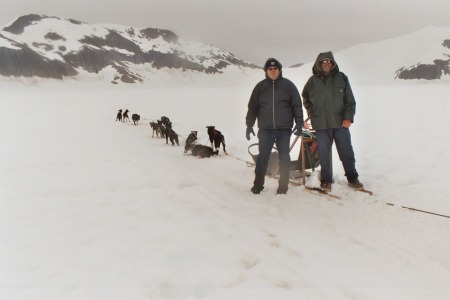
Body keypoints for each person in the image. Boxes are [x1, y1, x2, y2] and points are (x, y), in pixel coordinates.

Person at [301, 51, 363, 192]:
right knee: (324, 154)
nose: (326, 63)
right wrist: (311, 111)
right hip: (321, 124)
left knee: (346, 152)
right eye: (323, 61)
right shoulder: (312, 81)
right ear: (319, 63)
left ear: (333, 63)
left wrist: (348, 118)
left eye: (329, 61)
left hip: (340, 123)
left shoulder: (341, 78)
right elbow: (305, 96)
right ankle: (326, 180)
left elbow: (350, 100)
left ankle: (353, 178)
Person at [245, 58, 304, 194]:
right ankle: (258, 185)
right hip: (265, 129)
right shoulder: (260, 87)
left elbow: (297, 105)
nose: (273, 71)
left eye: (275, 68)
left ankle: (283, 186)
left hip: (284, 129)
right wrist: (249, 125)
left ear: (280, 70)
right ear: (266, 71)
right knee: (263, 157)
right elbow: (252, 107)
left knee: (284, 157)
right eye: (270, 69)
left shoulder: (288, 86)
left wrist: (299, 123)